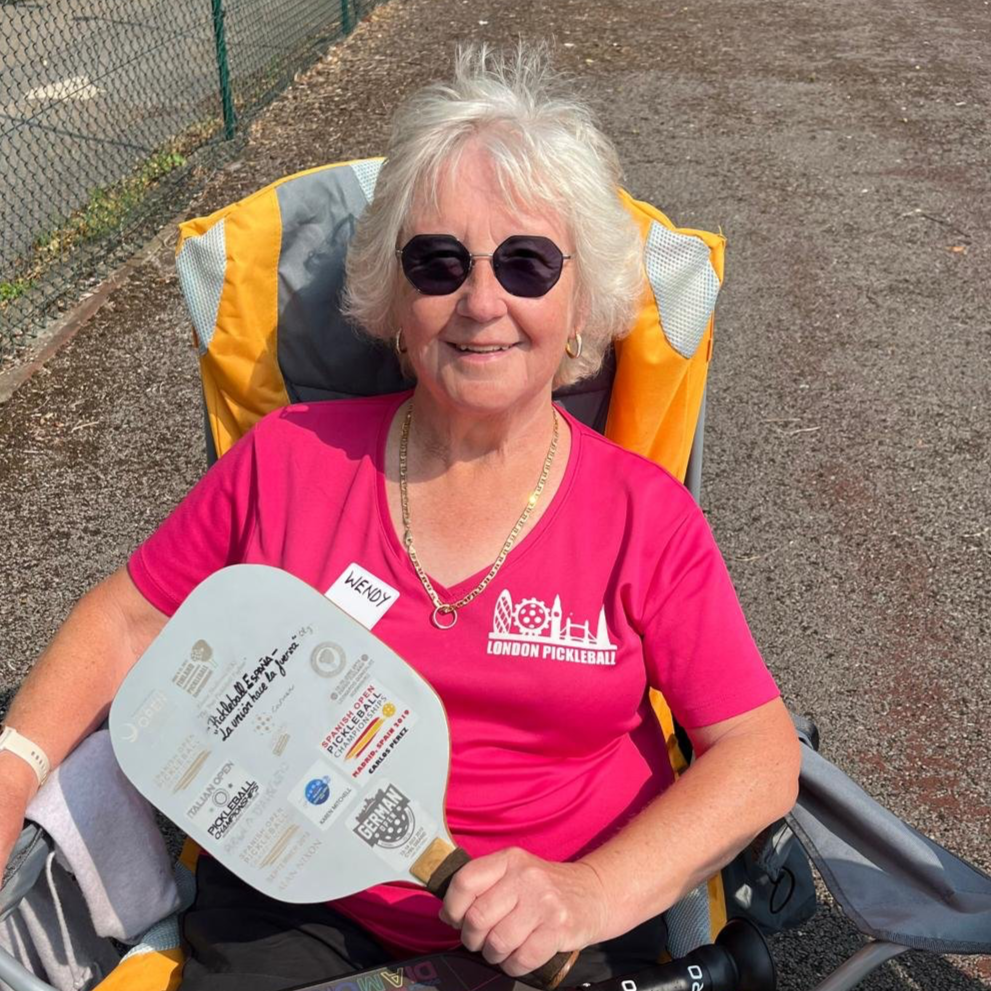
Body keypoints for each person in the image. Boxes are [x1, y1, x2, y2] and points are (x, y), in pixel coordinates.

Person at [0, 44, 800, 990]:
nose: (481, 302)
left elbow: (757, 752)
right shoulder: (288, 461)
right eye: (438, 262)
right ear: (393, 292)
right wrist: (11, 774)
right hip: (296, 899)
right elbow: (129, 621)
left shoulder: (641, 516)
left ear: (581, 298)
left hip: (554, 929)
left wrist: (588, 890)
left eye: (527, 263)